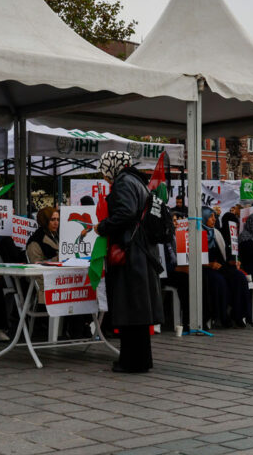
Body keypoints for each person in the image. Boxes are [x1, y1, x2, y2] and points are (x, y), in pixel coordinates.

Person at [95, 150, 163, 374]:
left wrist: (102, 227)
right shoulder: (138, 181)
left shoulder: (123, 182)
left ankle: (131, 362)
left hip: (130, 253)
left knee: (129, 308)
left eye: (104, 170)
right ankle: (141, 360)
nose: (104, 176)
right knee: (138, 310)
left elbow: (126, 212)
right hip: (142, 251)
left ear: (112, 166)